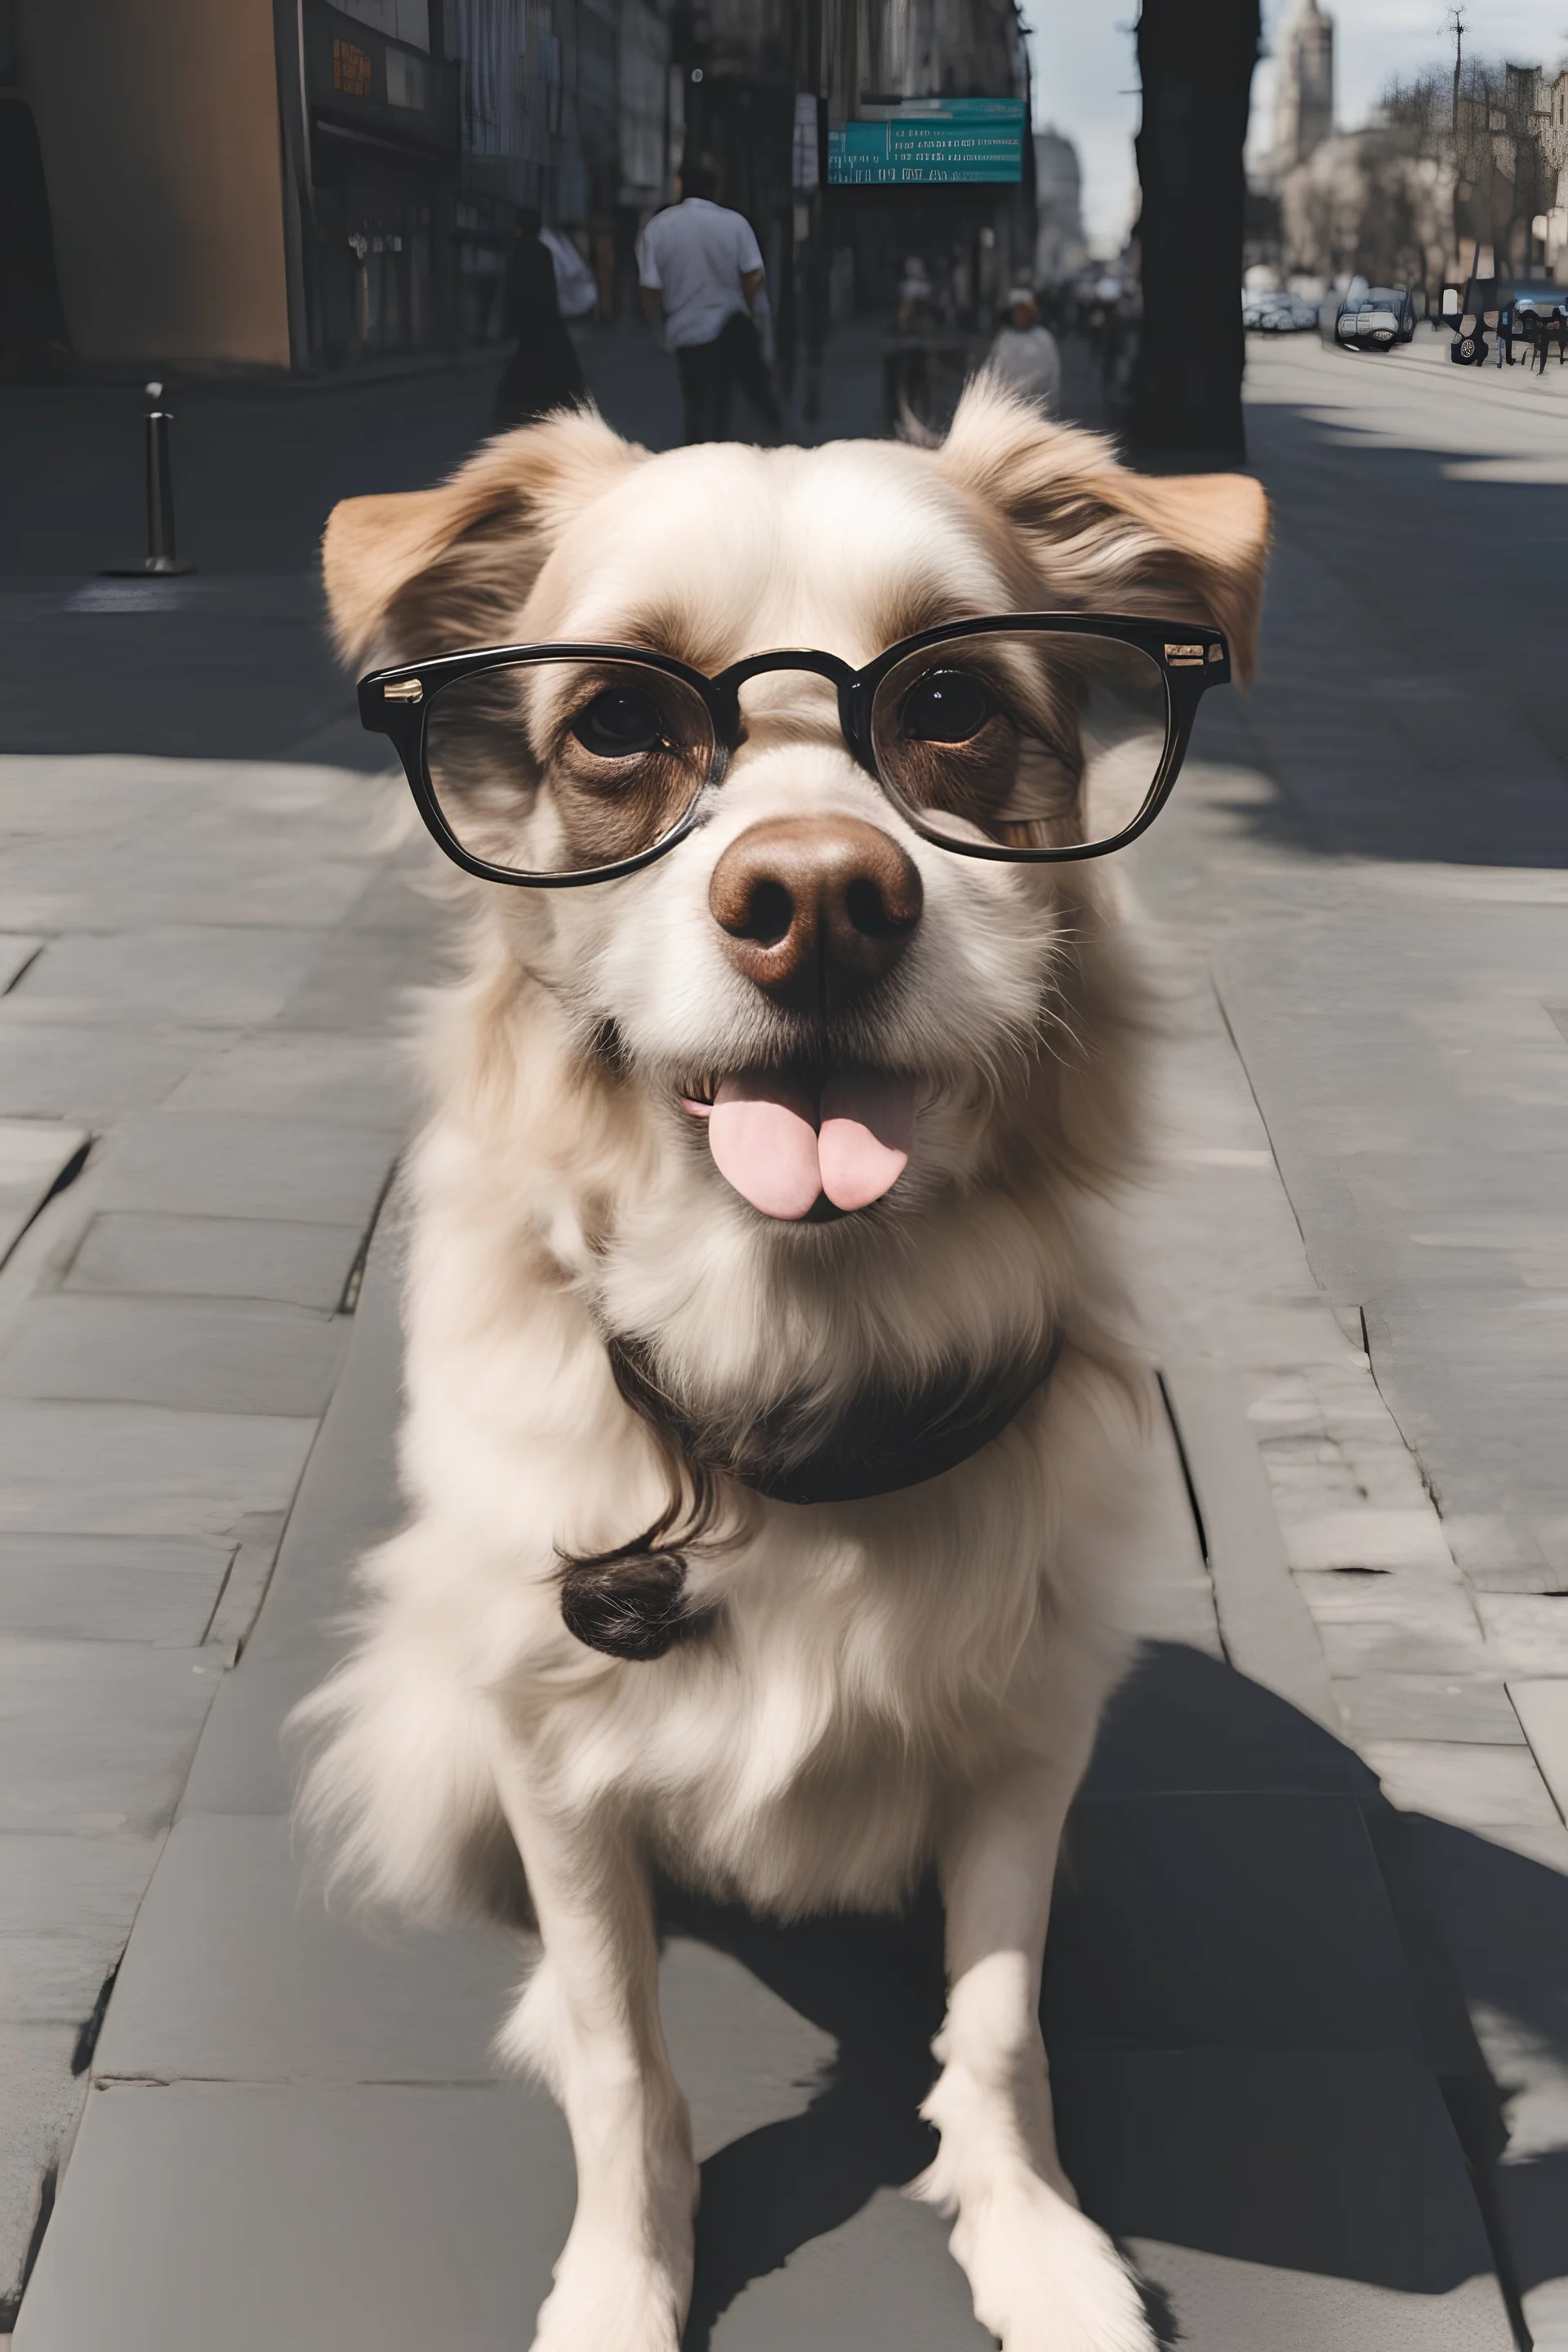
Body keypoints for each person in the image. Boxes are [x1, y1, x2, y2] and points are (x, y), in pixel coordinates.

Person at [639, 163, 782, 443]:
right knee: (723, 404)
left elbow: (649, 289)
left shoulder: (657, 228)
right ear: (714, 188)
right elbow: (754, 275)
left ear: (680, 188)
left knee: (695, 403)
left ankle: (697, 455)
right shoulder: (736, 223)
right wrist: (751, 312)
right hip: (729, 325)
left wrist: (659, 330)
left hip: (686, 332)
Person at [490, 210, 586, 432]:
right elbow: (549, 288)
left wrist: (510, 324)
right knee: (556, 365)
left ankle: (516, 408)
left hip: (528, 318)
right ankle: (560, 405)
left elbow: (511, 291)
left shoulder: (517, 252)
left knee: (526, 362)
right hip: (545, 317)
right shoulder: (542, 251)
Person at [987, 287, 1062, 411]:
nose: (1021, 316)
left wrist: (1049, 405)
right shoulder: (1004, 339)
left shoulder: (1043, 339)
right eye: (1018, 312)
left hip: (1037, 407)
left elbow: (1053, 375)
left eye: (1024, 312)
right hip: (1008, 407)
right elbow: (992, 370)